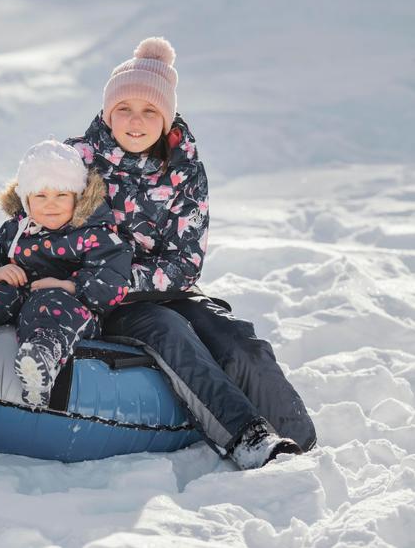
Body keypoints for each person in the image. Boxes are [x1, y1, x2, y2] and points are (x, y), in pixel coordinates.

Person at [64, 36, 317, 470]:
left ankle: (303, 444)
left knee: (238, 341)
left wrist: (142, 279)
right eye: (124, 108)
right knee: (170, 331)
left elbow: (185, 261)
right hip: (103, 294)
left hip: (167, 287)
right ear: (108, 113)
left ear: (166, 118)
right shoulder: (76, 162)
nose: (135, 121)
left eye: (149, 111)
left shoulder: (184, 170)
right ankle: (248, 438)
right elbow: (40, 226)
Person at [0, 140, 134, 407]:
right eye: (41, 196)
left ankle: (41, 357)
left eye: (61, 195)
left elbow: (113, 281)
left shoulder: (96, 234)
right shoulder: (16, 230)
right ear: (26, 199)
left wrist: (68, 285)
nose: (51, 204)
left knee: (52, 304)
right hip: (17, 297)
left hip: (68, 306)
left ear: (78, 196)